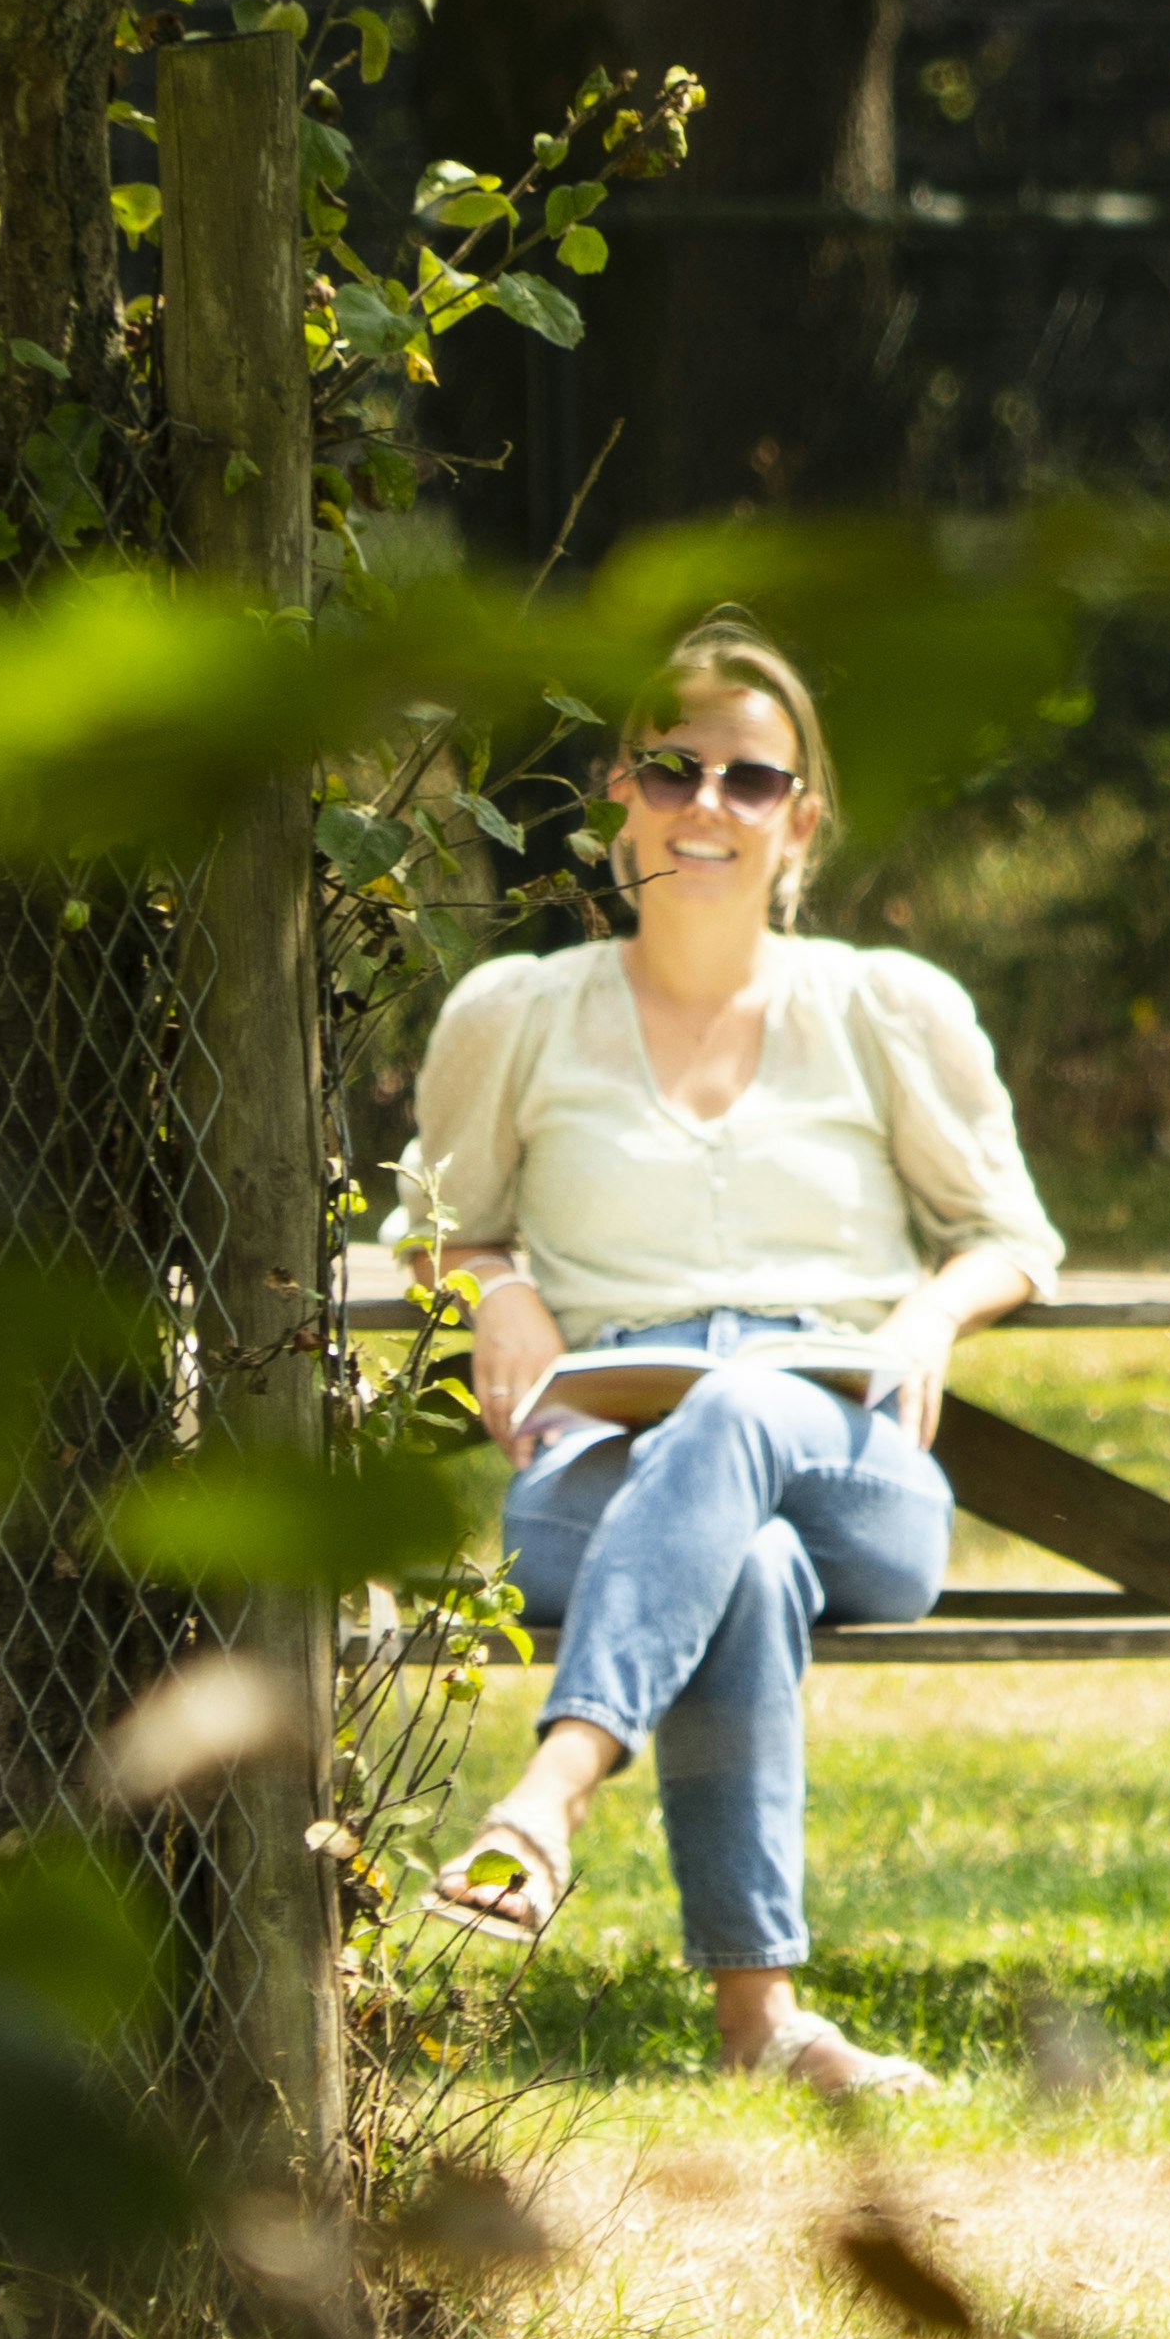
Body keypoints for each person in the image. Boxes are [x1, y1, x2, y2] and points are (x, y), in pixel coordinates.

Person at [404, 615, 1064, 2097]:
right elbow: (436, 1218)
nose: (710, 803)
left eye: (750, 780)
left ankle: (551, 1794)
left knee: (751, 1403)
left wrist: (925, 1315)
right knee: (743, 1566)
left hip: (848, 1446)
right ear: (617, 796)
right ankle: (762, 2023)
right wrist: (491, 1286)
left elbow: (1013, 1231)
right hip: (605, 1468)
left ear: (799, 820)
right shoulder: (515, 1015)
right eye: (673, 768)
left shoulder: (886, 1007)